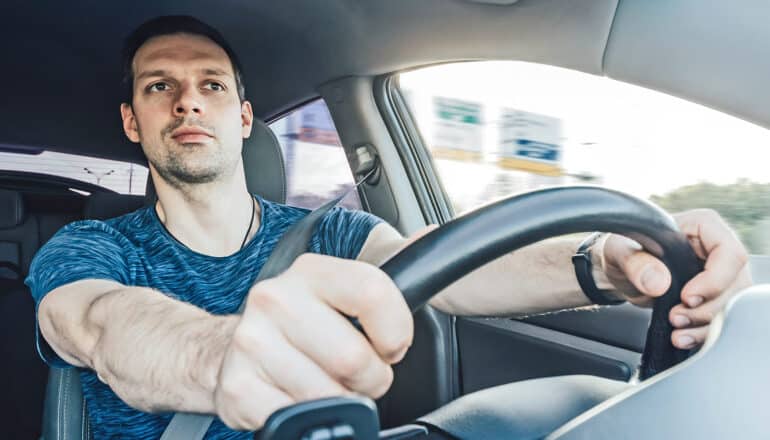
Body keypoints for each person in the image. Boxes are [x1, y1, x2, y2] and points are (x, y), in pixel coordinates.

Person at [26, 15, 752, 439]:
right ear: (132, 120)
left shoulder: (326, 234)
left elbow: (447, 265)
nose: (189, 103)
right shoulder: (91, 247)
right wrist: (220, 353)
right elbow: (95, 325)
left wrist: (604, 259)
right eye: (161, 87)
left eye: (211, 85)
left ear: (242, 117)